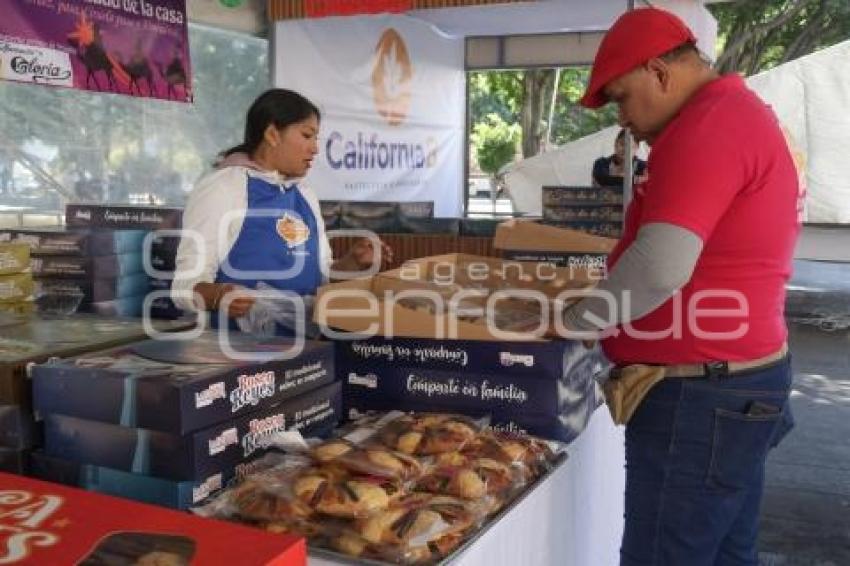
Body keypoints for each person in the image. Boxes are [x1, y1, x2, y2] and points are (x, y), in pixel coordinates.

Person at [557, 8, 801, 566]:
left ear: (660, 72)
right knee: (728, 553)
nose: (623, 119)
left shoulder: (709, 125)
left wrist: (575, 321)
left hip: (701, 398)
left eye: (622, 98)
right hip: (734, 382)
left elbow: (660, 266)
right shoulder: (737, 114)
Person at [171, 88, 390, 334]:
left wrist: (352, 263)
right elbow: (183, 286)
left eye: (316, 138)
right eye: (307, 135)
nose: (315, 149)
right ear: (272, 134)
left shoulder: (305, 194)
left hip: (307, 349)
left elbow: (322, 277)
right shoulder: (223, 188)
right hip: (236, 349)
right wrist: (218, 296)